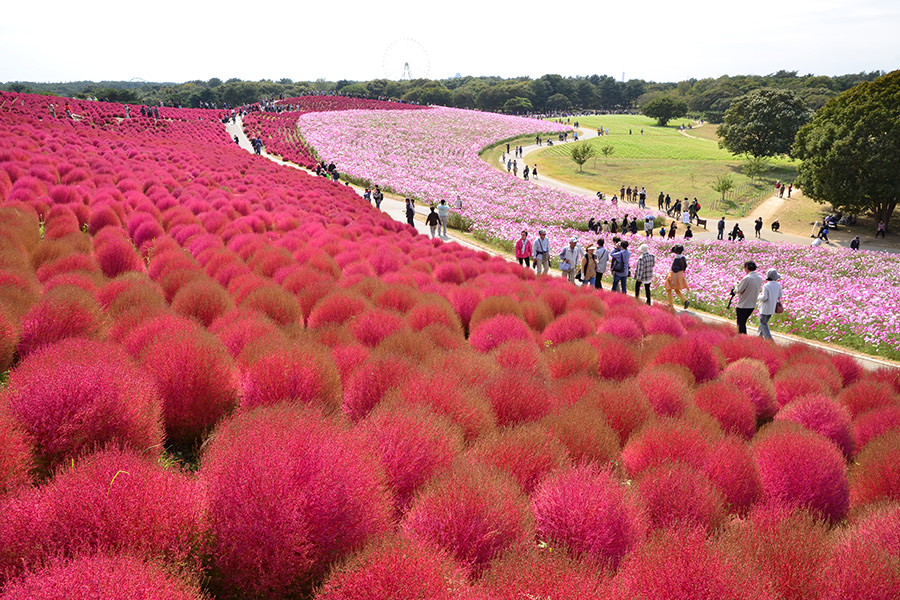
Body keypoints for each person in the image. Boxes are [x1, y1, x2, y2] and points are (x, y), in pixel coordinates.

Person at [735, 261, 764, 334]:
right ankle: (743, 338)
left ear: (747, 268)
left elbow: (739, 290)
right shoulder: (759, 278)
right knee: (743, 322)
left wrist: (735, 285)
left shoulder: (747, 278)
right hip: (752, 305)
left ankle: (743, 339)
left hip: (743, 305)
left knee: (741, 323)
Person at [757, 269, 782, 340]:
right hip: (772, 307)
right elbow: (780, 295)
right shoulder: (778, 285)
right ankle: (759, 336)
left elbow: (764, 297)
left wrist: (758, 296)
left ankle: (769, 338)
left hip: (765, 307)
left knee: (763, 323)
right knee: (763, 322)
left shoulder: (766, 286)